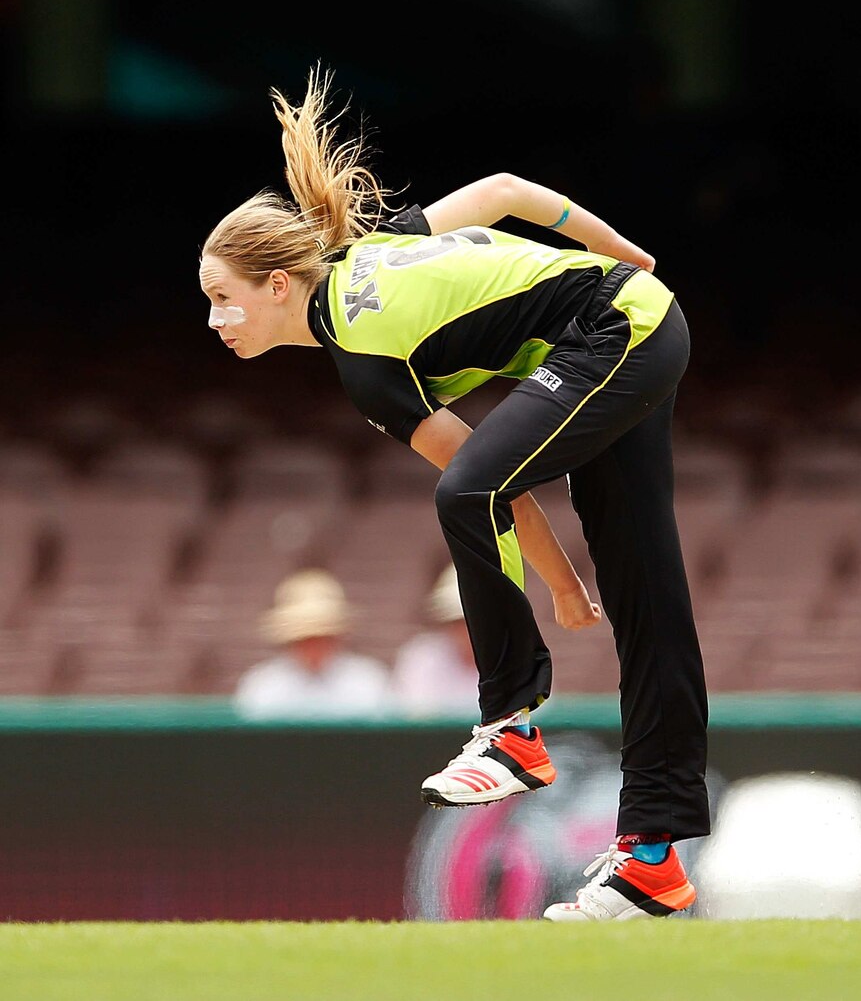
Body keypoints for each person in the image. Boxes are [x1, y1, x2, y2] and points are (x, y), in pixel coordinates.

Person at [199, 64, 709, 921]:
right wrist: (560, 584)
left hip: (617, 330)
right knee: (647, 600)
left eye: (223, 298)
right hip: (627, 325)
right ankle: (652, 857)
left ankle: (511, 726)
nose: (215, 321)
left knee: (472, 498)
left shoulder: (368, 362)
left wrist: (622, 270)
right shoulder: (377, 248)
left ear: (277, 286)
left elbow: (475, 481)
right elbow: (508, 192)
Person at [233, 567, 392, 720]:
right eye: (305, 639)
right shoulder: (263, 685)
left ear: (336, 637)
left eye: (322, 638)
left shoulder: (369, 680)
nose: (314, 647)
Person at [391, 563, 480, 717]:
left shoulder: (521, 662)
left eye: (479, 619)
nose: (469, 630)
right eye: (460, 621)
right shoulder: (421, 659)